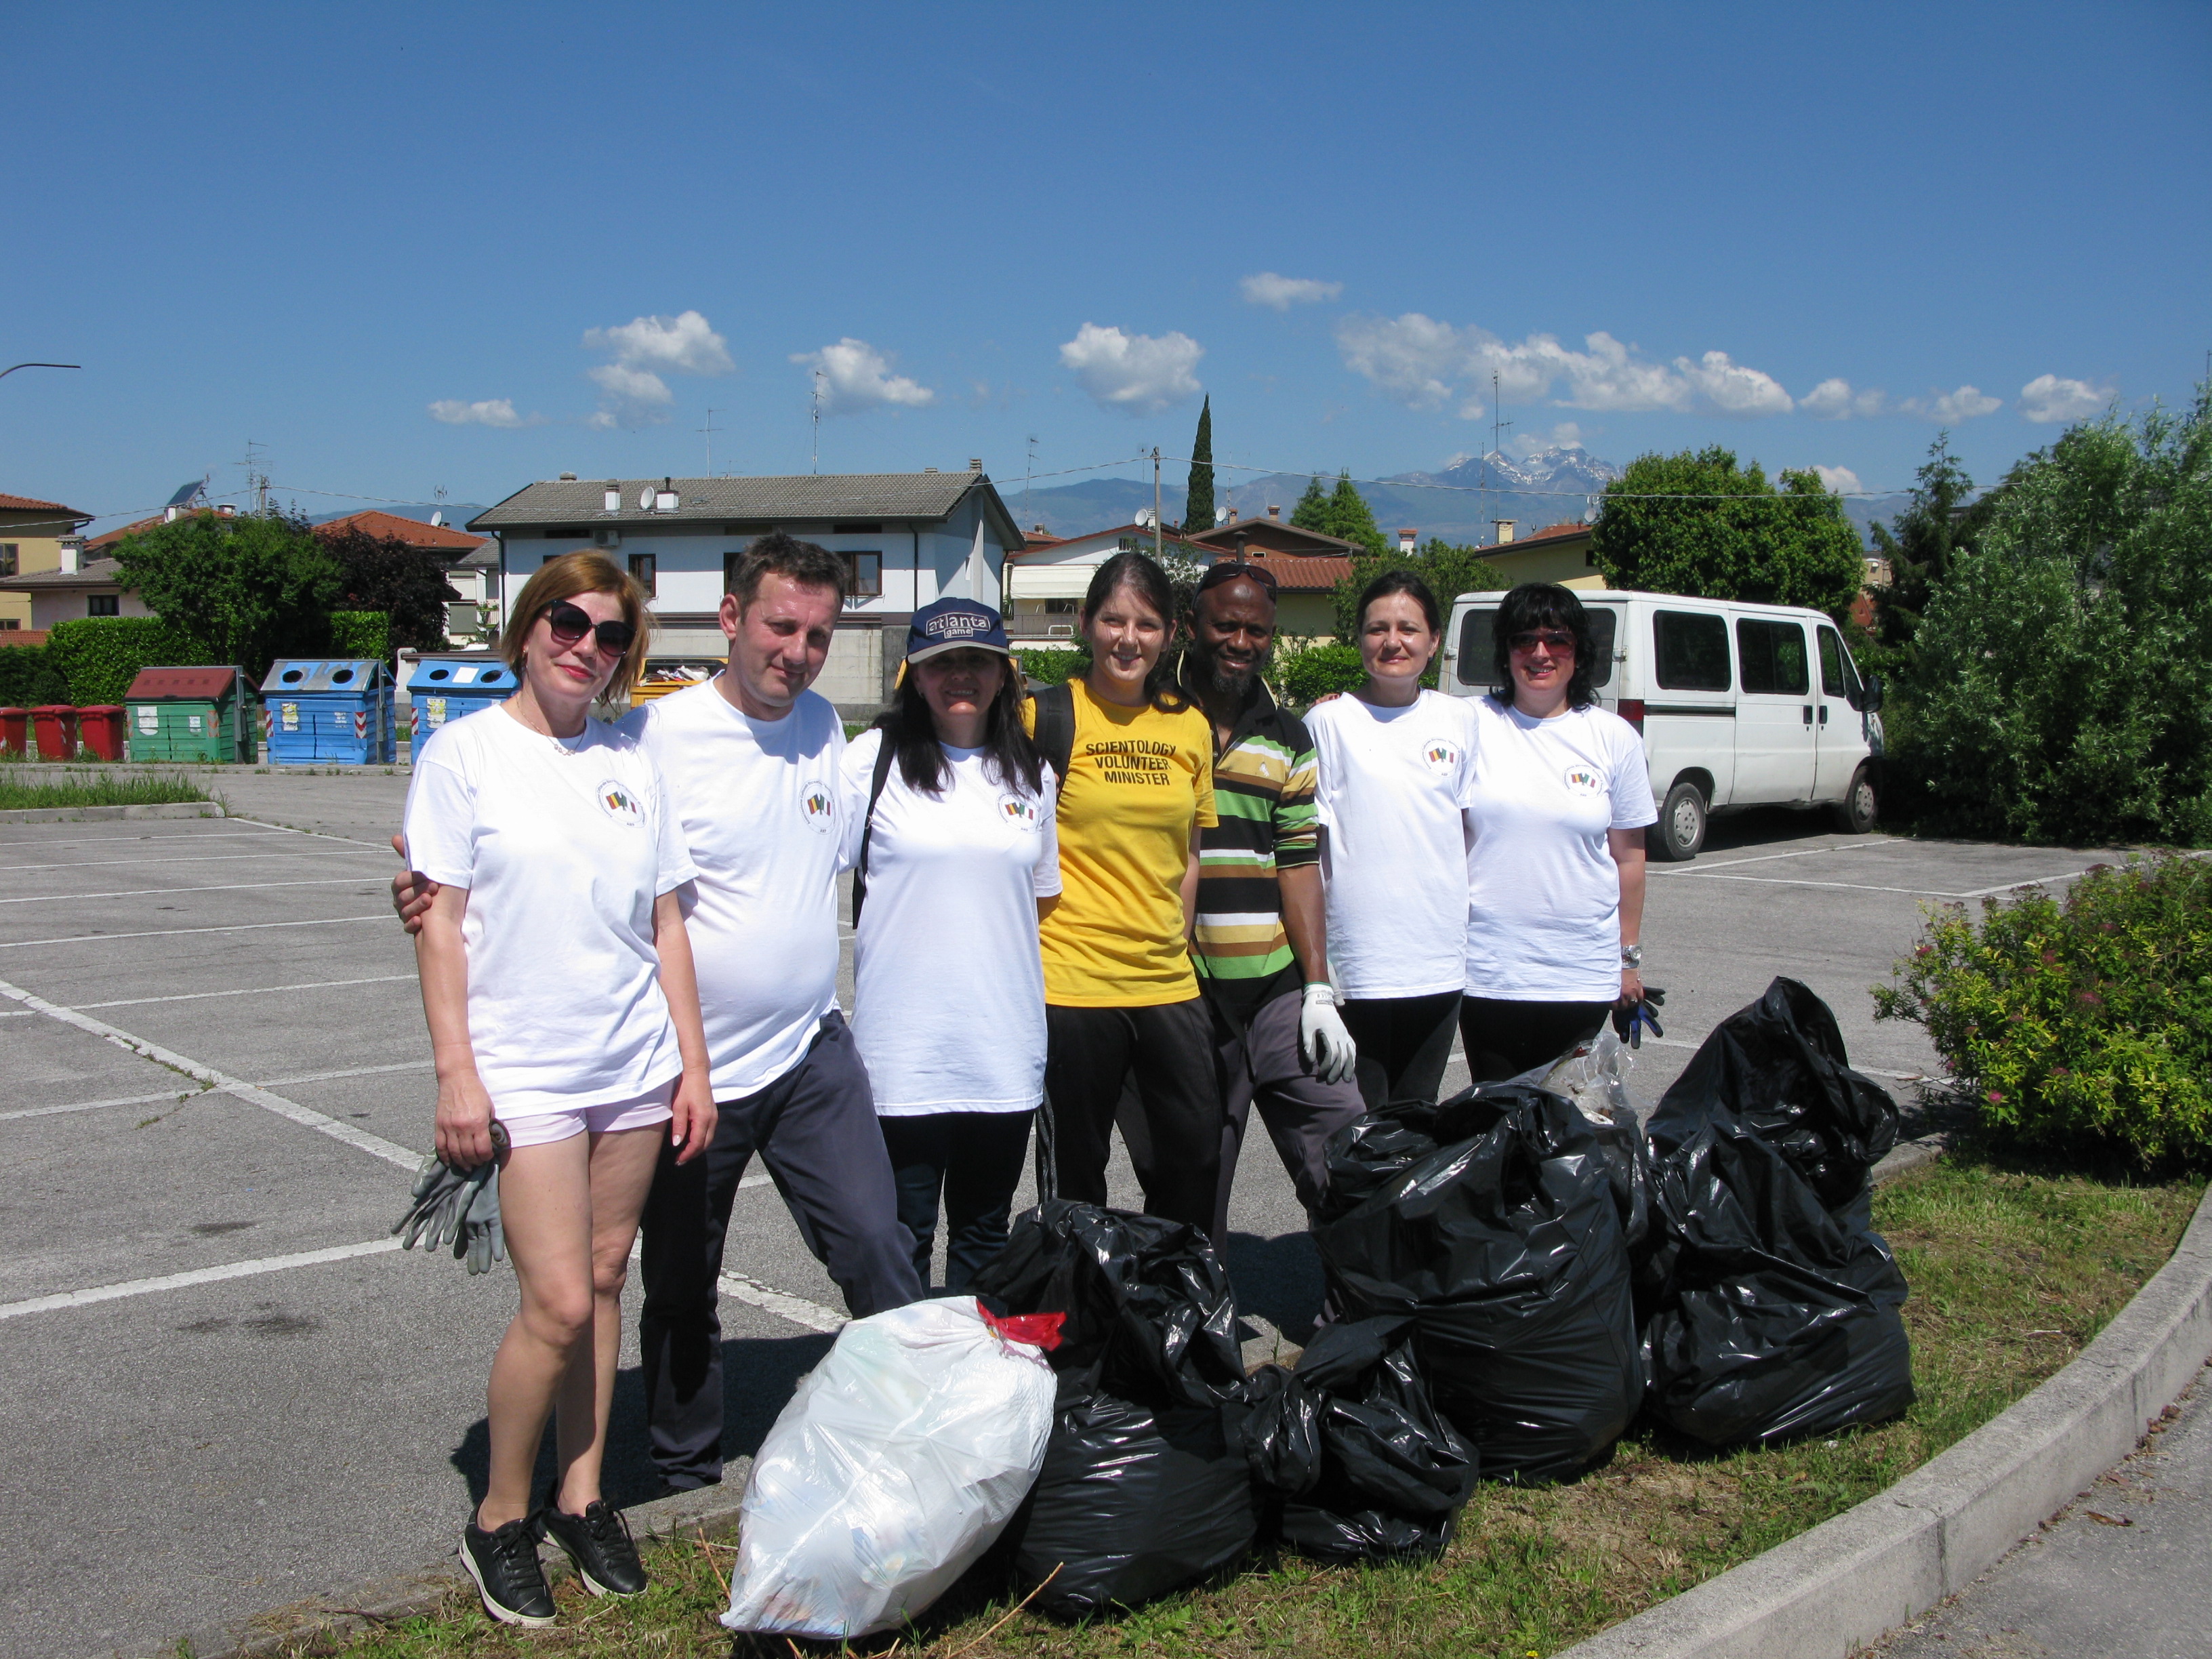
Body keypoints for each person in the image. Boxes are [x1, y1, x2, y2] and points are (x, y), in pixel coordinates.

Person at [395, 532, 922, 1496]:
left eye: (816, 634)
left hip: (809, 1049)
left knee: (877, 1244)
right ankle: (683, 1473)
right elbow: (560, 829)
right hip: (685, 1070)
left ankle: (919, 1433)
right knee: (681, 1285)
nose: (795, 652)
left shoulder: (822, 731)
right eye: (777, 627)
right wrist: (430, 889)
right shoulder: (653, 739)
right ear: (730, 619)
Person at [402, 552, 716, 1626]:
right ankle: (498, 1517)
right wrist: (457, 1074)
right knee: (556, 1301)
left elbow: (667, 922)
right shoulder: (464, 754)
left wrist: (694, 1068)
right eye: (569, 624)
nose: (588, 647)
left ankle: (584, 1498)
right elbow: (437, 918)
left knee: (607, 1275)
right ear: (528, 629)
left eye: (612, 634)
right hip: (524, 1069)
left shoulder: (632, 758)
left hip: (631, 1063)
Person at [842, 598, 1059, 1293]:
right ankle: (898, 1391)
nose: (959, 676)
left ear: (1004, 675)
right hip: (902, 1055)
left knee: (982, 1239)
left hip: (1001, 1051)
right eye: (942, 664)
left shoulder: (1032, 774)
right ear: (914, 675)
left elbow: (1040, 897)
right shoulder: (871, 761)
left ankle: (967, 1391)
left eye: (976, 662)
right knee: (900, 1239)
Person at [1160, 559, 1365, 1245]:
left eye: (1256, 631)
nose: (1240, 642)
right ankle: (1196, 1337)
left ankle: (1358, 1320)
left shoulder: (1288, 735)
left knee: (1346, 1154)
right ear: (1193, 624)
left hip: (1276, 989)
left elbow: (1299, 862)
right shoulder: (1150, 715)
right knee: (1193, 1189)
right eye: (1225, 625)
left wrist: (1317, 989)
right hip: (1184, 998)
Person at [1025, 550, 1223, 1233]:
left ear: (1170, 633)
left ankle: (1161, 1309)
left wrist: (1178, 938)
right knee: (1078, 1175)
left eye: (1145, 623)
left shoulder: (1189, 727)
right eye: (1112, 620)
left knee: (1195, 1157)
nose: (1127, 638)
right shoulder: (1042, 718)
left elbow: (1190, 854)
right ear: (1085, 624)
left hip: (1166, 980)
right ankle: (1077, 1322)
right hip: (1072, 983)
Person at [1461, 581, 1657, 1080]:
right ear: (1505, 653)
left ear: (1579, 651)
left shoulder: (1614, 737)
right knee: (1498, 1122)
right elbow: (1400, 724)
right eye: (1524, 640)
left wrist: (1627, 962)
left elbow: (1630, 859)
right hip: (1490, 972)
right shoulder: (1469, 724)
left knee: (1565, 1131)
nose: (1541, 652)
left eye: (1557, 639)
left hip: (1580, 973)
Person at [1306, 571, 1481, 1109]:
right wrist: (1317, 976)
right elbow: (1309, 853)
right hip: (1358, 966)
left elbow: (1474, 834)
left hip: (1438, 962)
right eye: (1377, 628)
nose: (1392, 641)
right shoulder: (1328, 721)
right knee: (1361, 1130)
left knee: (1419, 1120)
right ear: (1359, 639)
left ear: (1433, 641)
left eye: (1408, 628)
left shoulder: (1461, 719)